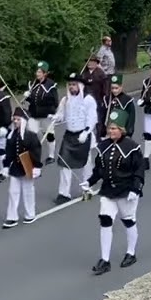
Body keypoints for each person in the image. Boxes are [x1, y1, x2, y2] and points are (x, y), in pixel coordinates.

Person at [85, 109, 145, 275]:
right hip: (108, 191)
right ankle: (105, 260)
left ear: (121, 130)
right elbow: (99, 170)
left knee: (128, 221)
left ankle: (131, 253)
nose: (110, 131)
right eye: (109, 128)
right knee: (105, 220)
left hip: (126, 190)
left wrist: (135, 189)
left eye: (114, 128)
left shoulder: (132, 147)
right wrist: (89, 182)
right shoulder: (103, 147)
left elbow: (139, 170)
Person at [51, 72, 97, 205]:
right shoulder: (65, 100)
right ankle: (64, 193)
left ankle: (87, 188)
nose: (72, 87)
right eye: (70, 84)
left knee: (86, 163)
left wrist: (86, 132)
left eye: (74, 84)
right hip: (69, 135)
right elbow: (61, 116)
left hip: (83, 135)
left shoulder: (88, 100)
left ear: (80, 86)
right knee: (64, 164)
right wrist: (55, 118)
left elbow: (92, 118)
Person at [1, 108, 42, 229]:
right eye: (14, 119)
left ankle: (30, 214)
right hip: (16, 166)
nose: (15, 121)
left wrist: (37, 166)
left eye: (18, 119)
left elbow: (36, 151)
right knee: (12, 192)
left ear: (23, 121)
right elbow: (8, 152)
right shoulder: (11, 135)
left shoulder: (30, 135)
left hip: (28, 164)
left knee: (28, 191)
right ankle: (12, 217)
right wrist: (6, 165)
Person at [25, 62, 60, 165]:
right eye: (37, 71)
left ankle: (51, 156)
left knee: (49, 135)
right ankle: (32, 156)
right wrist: (27, 97)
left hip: (46, 115)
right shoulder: (34, 84)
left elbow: (55, 102)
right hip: (34, 114)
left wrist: (52, 112)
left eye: (40, 72)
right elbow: (33, 100)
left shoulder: (51, 85)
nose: (37, 74)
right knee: (31, 135)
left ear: (45, 73)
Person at [99, 73, 136, 141]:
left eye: (116, 88)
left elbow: (131, 118)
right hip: (109, 132)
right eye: (112, 88)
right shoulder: (107, 99)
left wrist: (129, 132)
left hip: (122, 132)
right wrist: (102, 131)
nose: (114, 91)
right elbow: (102, 116)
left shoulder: (127, 100)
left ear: (121, 87)